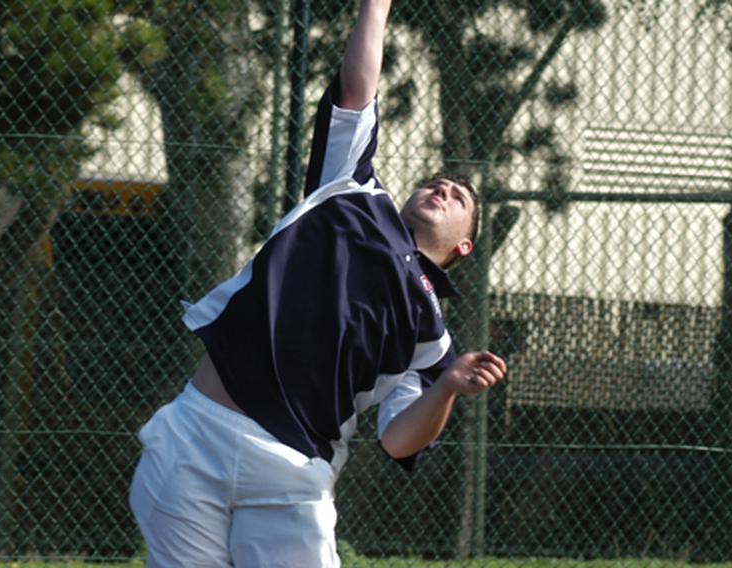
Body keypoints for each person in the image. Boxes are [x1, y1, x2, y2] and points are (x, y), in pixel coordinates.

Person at [128, 0, 507, 566]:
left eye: (461, 197)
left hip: (289, 476)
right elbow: (359, 89)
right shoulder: (352, 189)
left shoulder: (431, 337)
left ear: (463, 247)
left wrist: (447, 386)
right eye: (437, 181)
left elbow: (398, 439)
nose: (445, 188)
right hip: (195, 435)